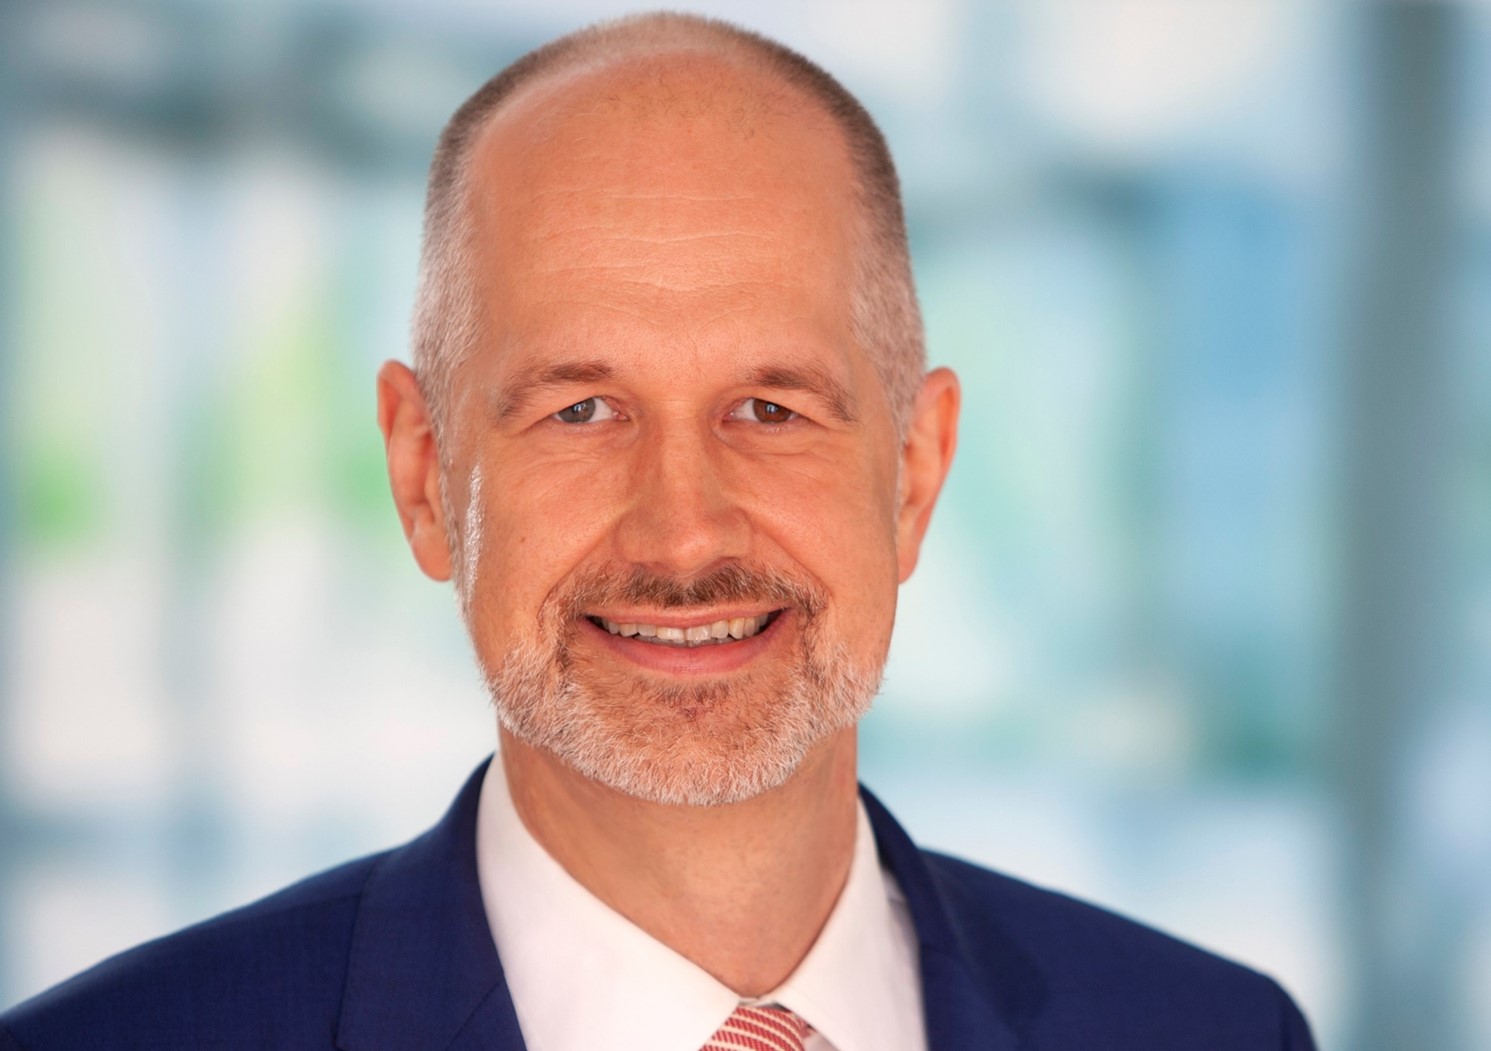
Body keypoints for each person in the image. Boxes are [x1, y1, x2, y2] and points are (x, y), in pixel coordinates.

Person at [1, 12, 1315, 1051]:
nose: (683, 535)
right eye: (581, 410)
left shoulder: (1214, 1033)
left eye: (770, 408)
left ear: (914, 473)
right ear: (424, 475)